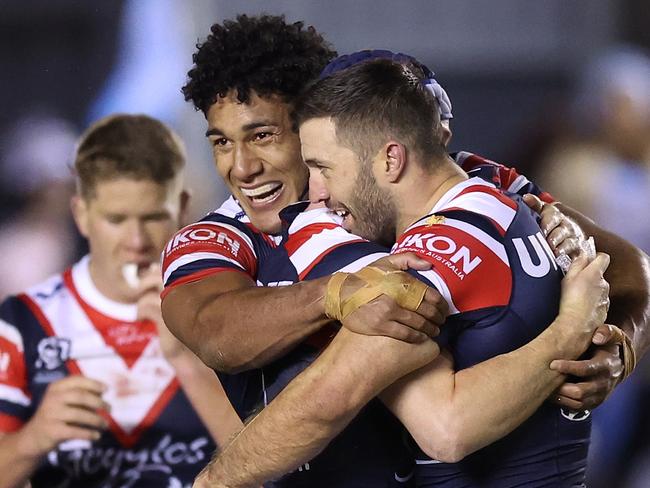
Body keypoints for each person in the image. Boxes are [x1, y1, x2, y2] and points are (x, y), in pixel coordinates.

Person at [161, 15, 649, 485]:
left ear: (317, 123)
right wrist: (332, 295)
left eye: (263, 136)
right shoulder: (216, 237)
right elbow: (214, 330)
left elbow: (630, 269)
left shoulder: (462, 188)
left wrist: (616, 346)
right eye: (221, 143)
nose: (242, 167)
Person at [0, 114, 242, 487]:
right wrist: (35, 438)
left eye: (152, 217)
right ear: (81, 214)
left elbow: (272, 466)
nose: (136, 240)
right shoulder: (24, 320)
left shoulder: (221, 304)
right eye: (116, 219)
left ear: (181, 208)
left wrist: (186, 358)